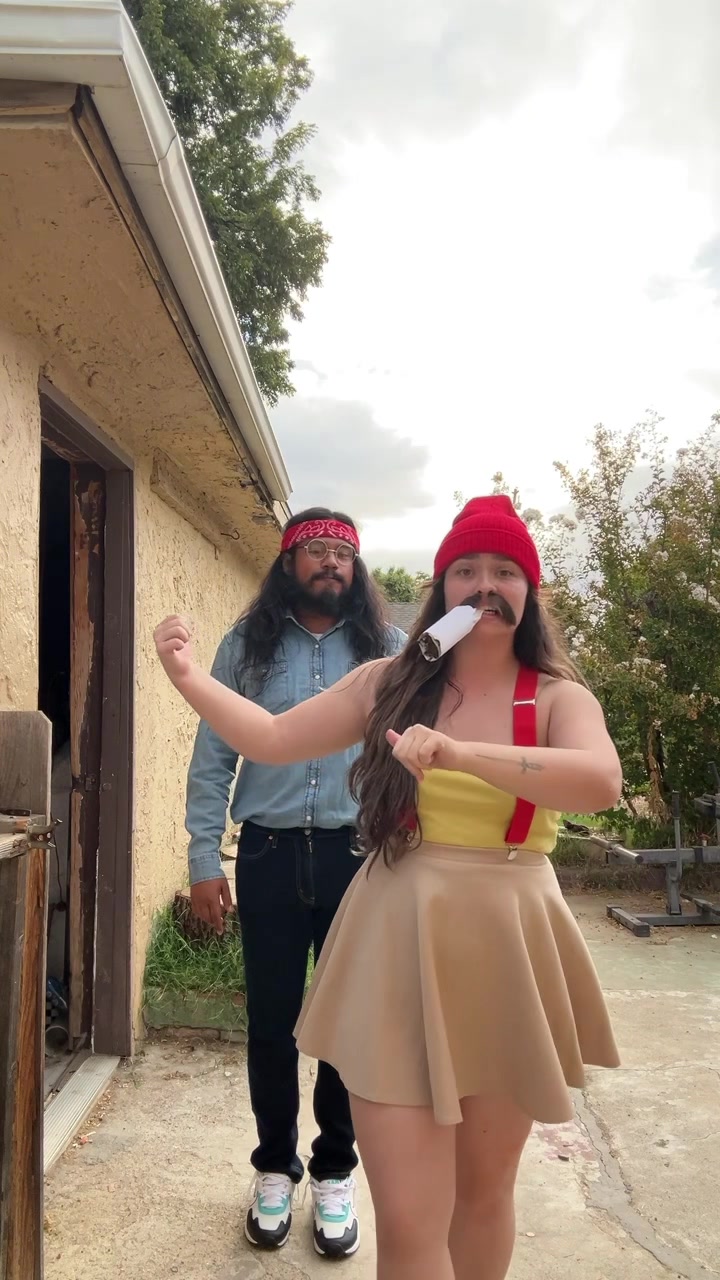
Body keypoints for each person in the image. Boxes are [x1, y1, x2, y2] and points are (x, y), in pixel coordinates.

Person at [157, 495, 622, 1280]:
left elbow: (599, 781)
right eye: (465, 571)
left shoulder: (555, 697)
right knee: (408, 1220)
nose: (485, 586)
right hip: (398, 938)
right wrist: (187, 677)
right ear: (442, 591)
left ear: (530, 591)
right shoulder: (389, 683)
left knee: (484, 1195)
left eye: (505, 571)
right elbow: (270, 737)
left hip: (509, 947)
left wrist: (462, 755)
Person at [184, 507, 406, 1258]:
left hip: (360, 859)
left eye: (342, 552)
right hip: (269, 856)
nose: (330, 562)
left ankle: (335, 1172)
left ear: (357, 568)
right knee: (272, 1024)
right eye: (314, 550)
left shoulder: (388, 650)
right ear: (287, 563)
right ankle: (275, 1169)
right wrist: (204, 860)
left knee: (348, 1023)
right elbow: (214, 756)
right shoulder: (245, 645)